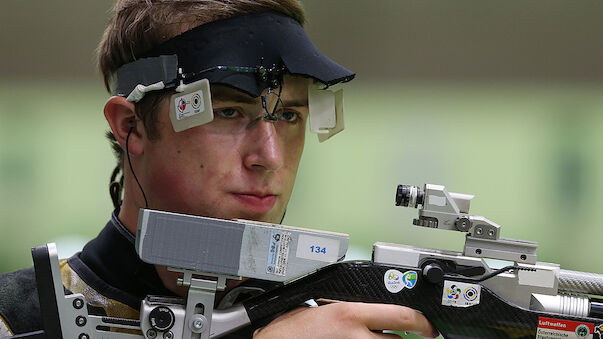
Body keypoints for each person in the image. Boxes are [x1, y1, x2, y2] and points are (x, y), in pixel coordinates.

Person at [0, 1, 438, 338]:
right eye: (228, 112)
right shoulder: (15, 317)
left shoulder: (336, 320)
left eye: (288, 116)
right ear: (131, 127)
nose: (269, 156)